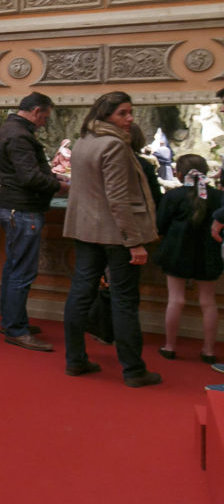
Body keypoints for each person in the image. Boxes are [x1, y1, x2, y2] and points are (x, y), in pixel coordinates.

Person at [62, 91, 161, 388]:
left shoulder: (83, 142)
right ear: (105, 114)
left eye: (130, 112)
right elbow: (118, 199)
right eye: (123, 113)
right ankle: (133, 370)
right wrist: (134, 241)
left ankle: (75, 360)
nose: (129, 118)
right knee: (124, 301)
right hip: (116, 235)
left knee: (80, 293)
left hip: (85, 231)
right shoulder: (115, 146)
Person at [0, 93, 67, 352]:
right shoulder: (20, 135)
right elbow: (30, 177)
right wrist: (59, 185)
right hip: (22, 209)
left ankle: (12, 321)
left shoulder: (8, 130)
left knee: (14, 268)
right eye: (44, 117)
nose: (44, 122)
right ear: (36, 111)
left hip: (12, 207)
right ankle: (15, 329)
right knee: (22, 271)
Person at [156, 154, 221, 364]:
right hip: (209, 253)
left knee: (176, 299)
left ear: (179, 173)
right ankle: (209, 350)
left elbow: (160, 225)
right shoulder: (218, 197)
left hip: (176, 252)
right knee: (208, 301)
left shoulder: (173, 196)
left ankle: (170, 346)